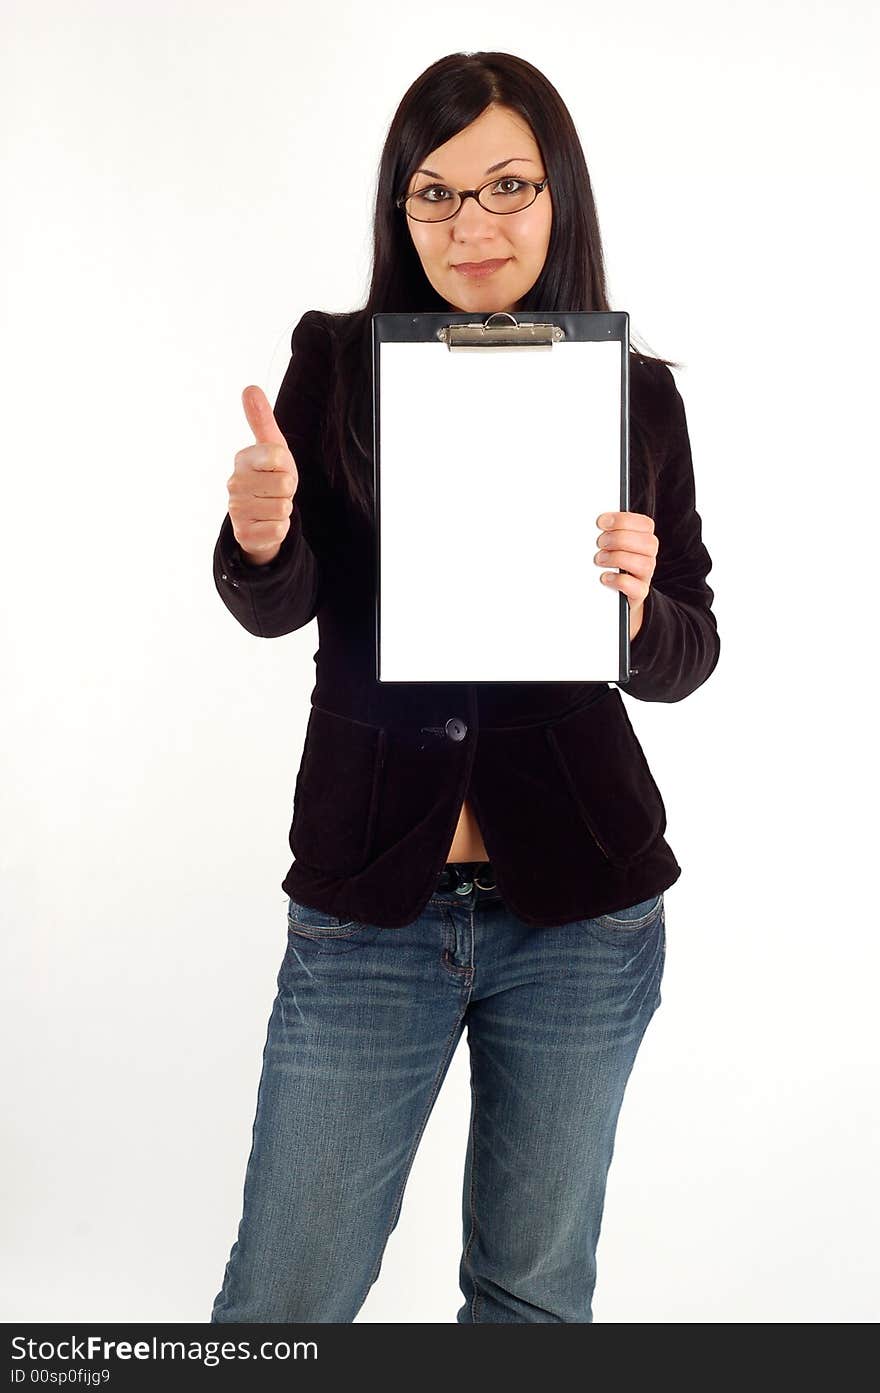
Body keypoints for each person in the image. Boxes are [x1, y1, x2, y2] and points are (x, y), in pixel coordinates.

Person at [210, 51, 720, 1324]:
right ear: (400, 210)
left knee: (531, 1299)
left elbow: (688, 650)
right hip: (370, 906)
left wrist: (636, 607)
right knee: (283, 1307)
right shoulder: (336, 362)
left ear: (559, 197)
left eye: (506, 185)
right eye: (432, 194)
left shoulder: (636, 394)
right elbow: (284, 605)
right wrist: (264, 539)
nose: (471, 224)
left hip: (583, 915)